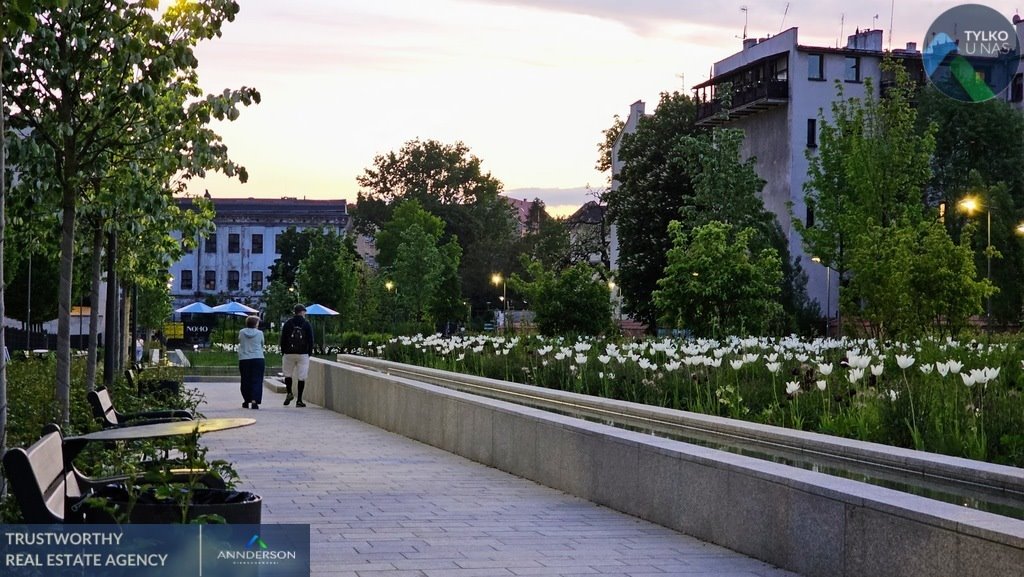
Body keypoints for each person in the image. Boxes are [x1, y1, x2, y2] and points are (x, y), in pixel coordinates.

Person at [280, 303, 314, 407]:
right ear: (302, 312)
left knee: (288, 374)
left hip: (289, 353)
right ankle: (299, 400)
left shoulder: (288, 323)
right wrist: (309, 353)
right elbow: (311, 340)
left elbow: (283, 339)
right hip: (302, 354)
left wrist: (284, 351)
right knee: (301, 377)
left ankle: (289, 392)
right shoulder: (306, 324)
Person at [238, 315, 265, 409]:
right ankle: (254, 400)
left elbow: (240, 341)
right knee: (257, 380)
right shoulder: (260, 333)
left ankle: (246, 400)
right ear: (256, 324)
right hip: (258, 358)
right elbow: (262, 343)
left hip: (244, 358)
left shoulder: (241, 332)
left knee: (245, 379)